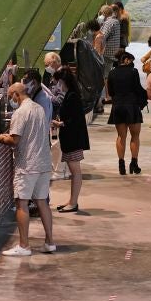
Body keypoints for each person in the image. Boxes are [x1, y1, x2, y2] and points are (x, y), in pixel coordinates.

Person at [0, 83, 55, 257]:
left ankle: (24, 245)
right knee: (42, 202)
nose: (10, 99)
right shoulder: (39, 108)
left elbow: (14, 141)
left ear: (15, 94)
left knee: (21, 203)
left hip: (27, 165)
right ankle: (50, 242)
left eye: (10, 96)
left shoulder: (20, 113)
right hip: (43, 162)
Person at [52, 68, 90, 213]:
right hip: (71, 139)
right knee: (74, 171)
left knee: (75, 172)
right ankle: (71, 201)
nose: (56, 85)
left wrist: (60, 123)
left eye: (57, 82)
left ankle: (73, 202)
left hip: (74, 139)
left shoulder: (72, 96)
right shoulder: (70, 94)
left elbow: (75, 120)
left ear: (62, 81)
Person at [107, 50, 146, 175]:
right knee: (135, 136)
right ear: (126, 60)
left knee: (121, 136)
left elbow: (111, 92)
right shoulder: (133, 72)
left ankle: (121, 165)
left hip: (118, 106)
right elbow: (137, 88)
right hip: (132, 106)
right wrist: (144, 99)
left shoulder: (111, 73)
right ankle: (134, 164)